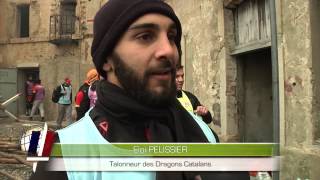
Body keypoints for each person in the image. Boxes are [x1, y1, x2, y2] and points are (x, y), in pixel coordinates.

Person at [30, 0, 248, 179]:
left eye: (171, 37)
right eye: (145, 36)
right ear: (107, 59)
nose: (168, 50)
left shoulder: (204, 133)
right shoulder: (65, 156)